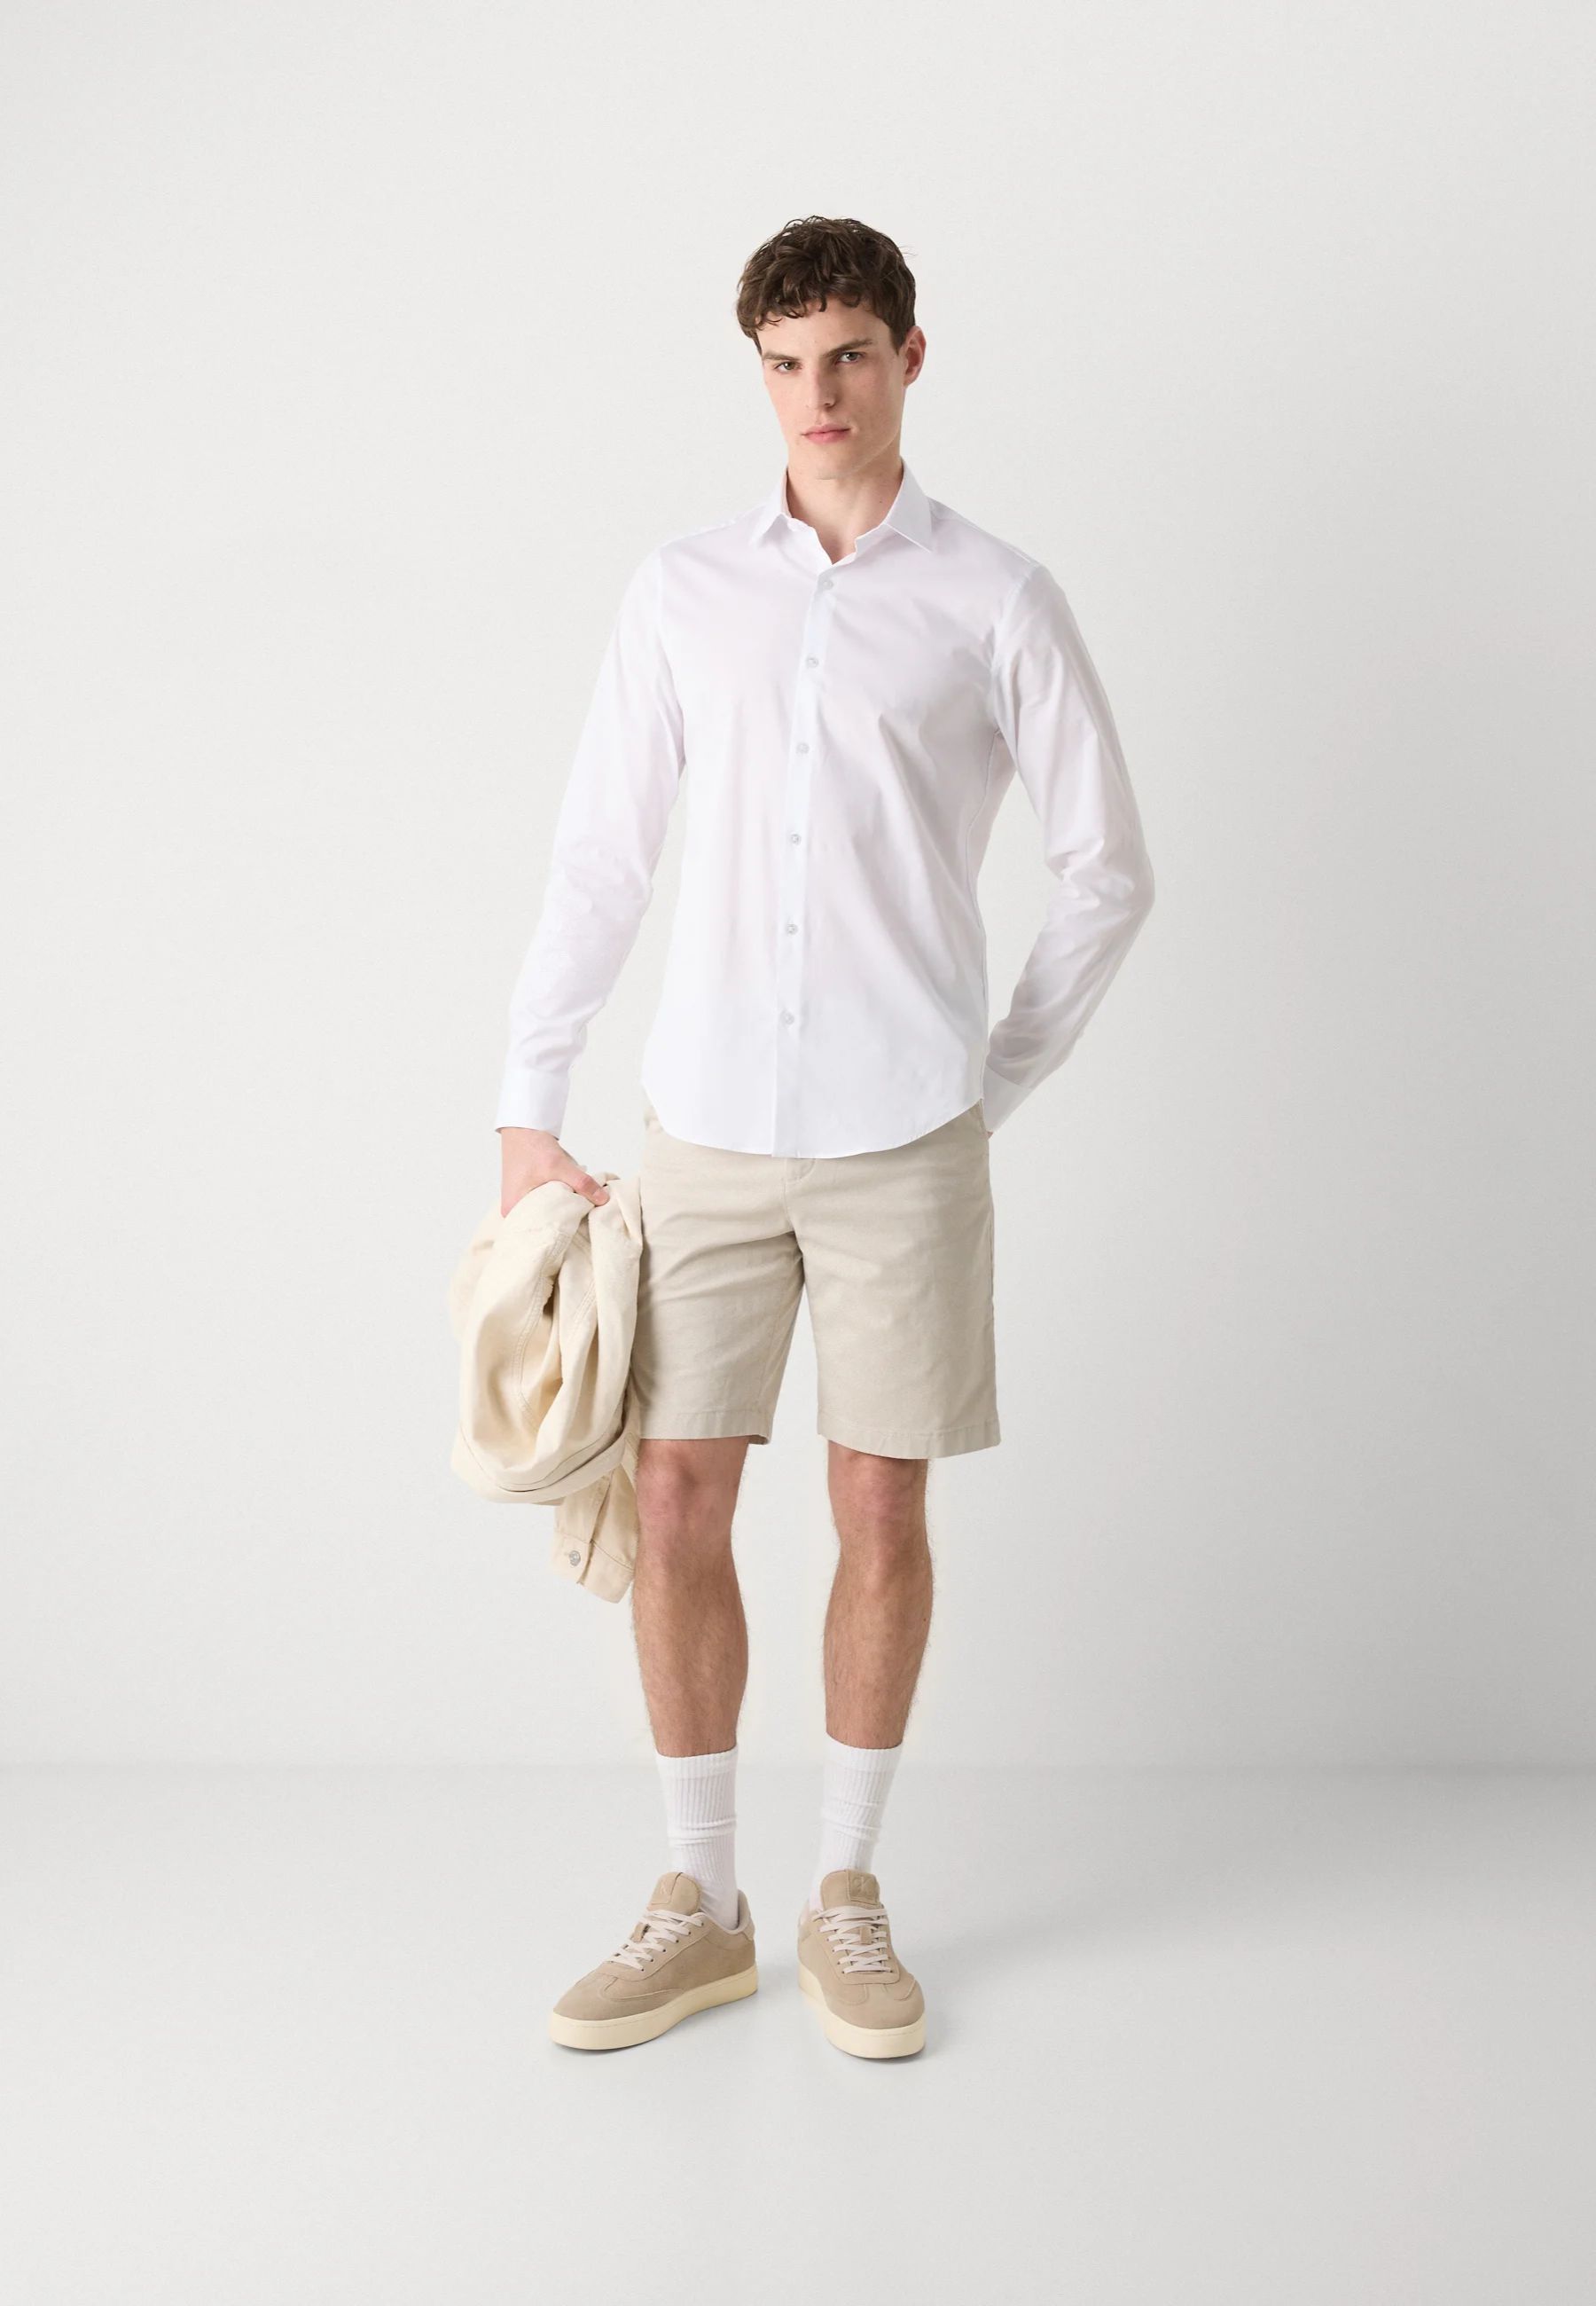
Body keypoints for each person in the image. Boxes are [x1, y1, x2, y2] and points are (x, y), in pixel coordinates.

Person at [495, 215, 1155, 2058]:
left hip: (904, 1135)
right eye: (785, 364)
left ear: (909, 359)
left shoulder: (998, 598)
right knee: (677, 1497)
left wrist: (988, 1080)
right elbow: (602, 856)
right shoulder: (683, 591)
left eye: (849, 355)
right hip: (702, 1125)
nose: (818, 396)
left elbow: (1108, 868)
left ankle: (844, 1891)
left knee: (880, 1502)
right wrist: (527, 1102)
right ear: (759, 372)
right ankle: (700, 1902)